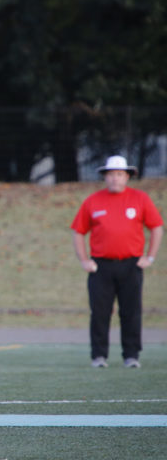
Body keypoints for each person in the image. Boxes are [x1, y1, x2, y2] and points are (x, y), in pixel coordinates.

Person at [71, 155, 163, 369]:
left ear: (127, 176)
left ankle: (131, 355)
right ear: (105, 176)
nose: (115, 179)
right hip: (101, 266)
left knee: (131, 311)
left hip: (131, 265)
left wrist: (150, 257)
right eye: (111, 174)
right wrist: (84, 260)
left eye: (119, 174)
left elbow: (156, 227)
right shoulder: (93, 201)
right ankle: (99, 356)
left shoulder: (140, 199)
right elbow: (78, 231)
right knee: (100, 312)